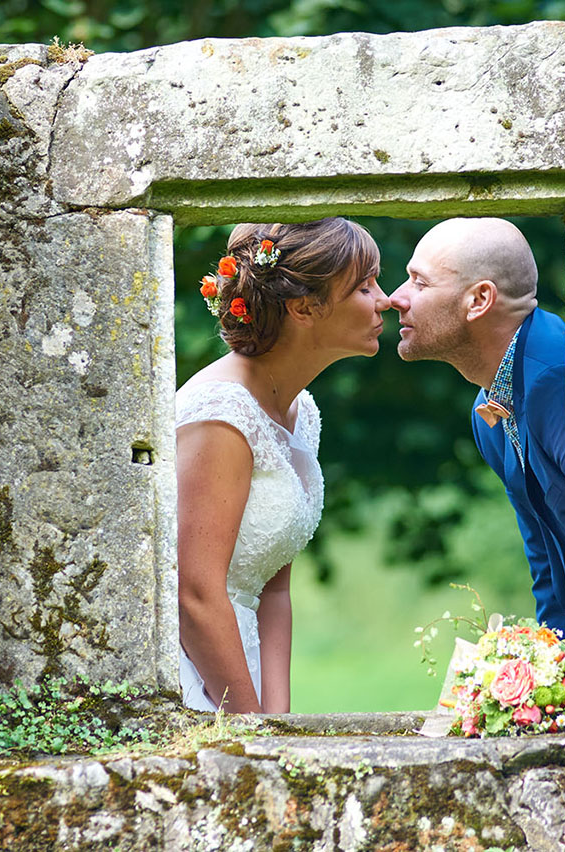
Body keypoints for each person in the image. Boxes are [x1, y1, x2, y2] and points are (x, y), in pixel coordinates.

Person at [177, 218, 389, 713]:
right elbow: (196, 595)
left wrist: (280, 721)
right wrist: (251, 729)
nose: (386, 300)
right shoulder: (220, 415)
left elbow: (273, 589)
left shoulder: (300, 411)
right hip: (198, 675)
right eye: (364, 286)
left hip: (245, 669)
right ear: (303, 309)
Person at [389, 217, 565, 639]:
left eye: (419, 282)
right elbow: (544, 553)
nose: (397, 298)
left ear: (479, 300)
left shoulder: (559, 379)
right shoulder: (486, 411)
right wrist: (558, 657)